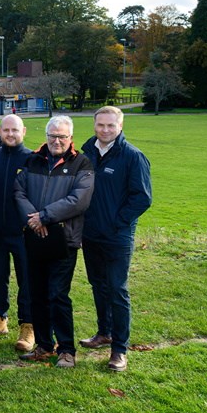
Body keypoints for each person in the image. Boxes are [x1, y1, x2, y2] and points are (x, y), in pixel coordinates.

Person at [15, 116, 94, 368]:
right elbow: (19, 191)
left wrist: (45, 217)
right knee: (36, 294)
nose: (57, 141)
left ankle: (66, 349)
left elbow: (79, 199)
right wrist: (33, 220)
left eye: (62, 136)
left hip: (63, 240)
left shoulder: (82, 163)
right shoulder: (32, 160)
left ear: (70, 137)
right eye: (53, 136)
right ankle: (44, 345)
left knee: (58, 295)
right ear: (46, 136)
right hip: (34, 237)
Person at [80, 106, 152, 372]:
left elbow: (142, 198)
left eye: (111, 125)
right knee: (98, 284)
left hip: (117, 236)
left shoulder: (133, 157)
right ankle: (104, 332)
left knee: (117, 289)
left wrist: (117, 223)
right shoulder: (86, 152)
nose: (106, 130)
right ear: (94, 125)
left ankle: (119, 349)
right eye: (101, 125)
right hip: (90, 234)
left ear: (120, 126)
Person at [0, 114, 35, 352]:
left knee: (27, 280)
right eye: (6, 130)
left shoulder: (33, 159)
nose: (10, 134)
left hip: (23, 233)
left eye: (15, 130)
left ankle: (28, 325)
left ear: (24, 131)